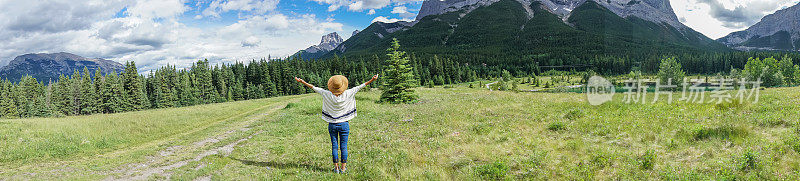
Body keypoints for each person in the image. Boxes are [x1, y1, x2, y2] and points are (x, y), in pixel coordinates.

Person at [294, 74, 378, 174]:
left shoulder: (326, 94)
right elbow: (361, 86)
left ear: (331, 86)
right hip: (344, 124)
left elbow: (313, 87)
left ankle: (336, 169)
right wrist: (372, 80)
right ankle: (343, 169)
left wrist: (302, 82)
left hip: (332, 125)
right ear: (342, 85)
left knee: (334, 146)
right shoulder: (348, 93)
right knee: (344, 146)